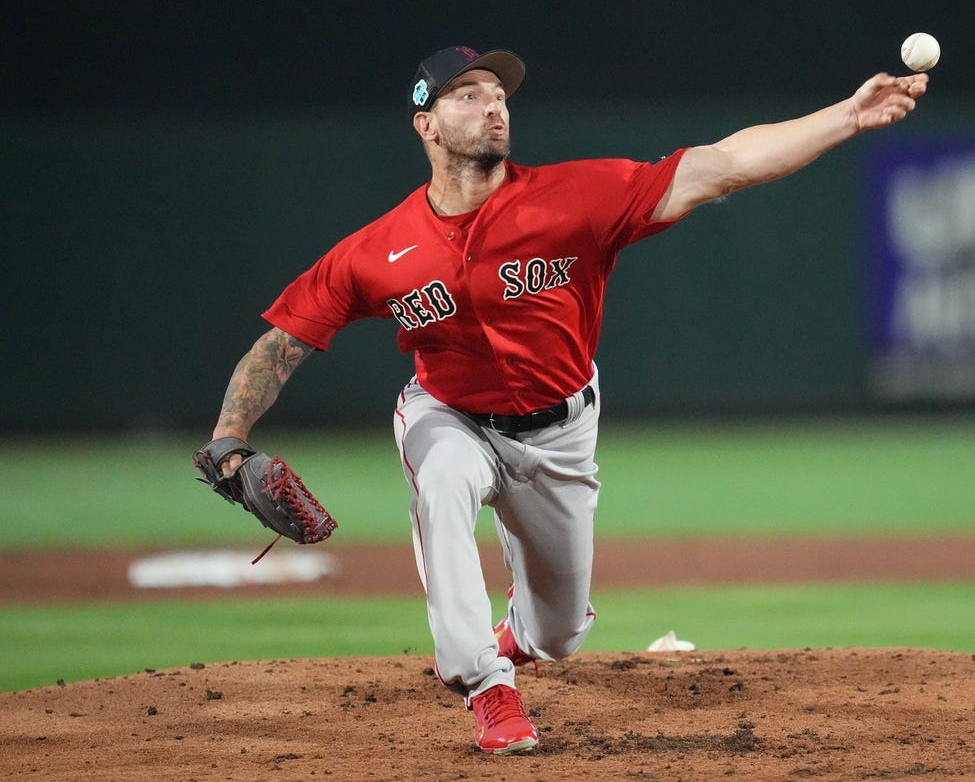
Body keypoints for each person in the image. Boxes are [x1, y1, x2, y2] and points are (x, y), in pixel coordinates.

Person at [203, 45, 928, 754]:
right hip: (446, 413)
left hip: (560, 431)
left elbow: (723, 166)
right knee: (445, 477)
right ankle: (487, 687)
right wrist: (230, 438)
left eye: (498, 93)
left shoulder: (576, 197)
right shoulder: (376, 250)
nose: (492, 103)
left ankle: (519, 639)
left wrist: (846, 116)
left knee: (556, 634)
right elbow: (282, 344)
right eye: (468, 94)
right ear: (424, 123)